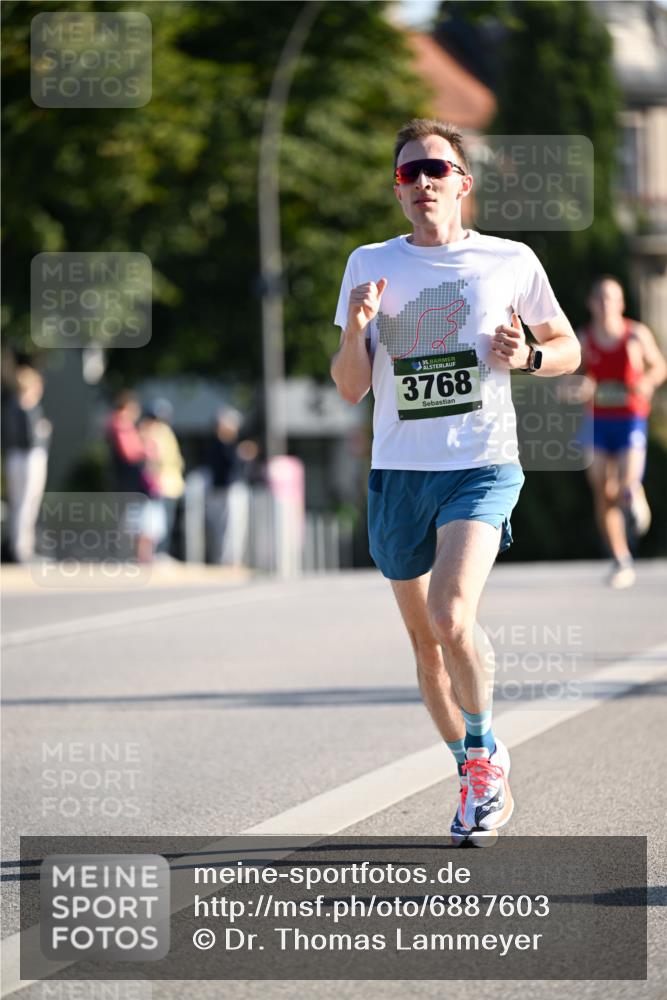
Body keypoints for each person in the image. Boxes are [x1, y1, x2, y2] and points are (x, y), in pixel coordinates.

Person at [330, 119, 580, 847]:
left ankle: (481, 761)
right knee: (424, 646)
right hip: (397, 473)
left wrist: (528, 355)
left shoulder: (508, 259)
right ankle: (472, 763)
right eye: (408, 174)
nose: (422, 184)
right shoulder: (368, 263)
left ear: (462, 183)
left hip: (479, 465)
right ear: (398, 189)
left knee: (449, 615)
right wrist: (355, 330)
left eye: (435, 169)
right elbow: (350, 389)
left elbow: (564, 347)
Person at [578, 276, 666, 589]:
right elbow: (569, 380)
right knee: (603, 489)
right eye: (600, 298)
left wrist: (648, 381)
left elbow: (659, 367)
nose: (605, 305)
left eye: (611, 298)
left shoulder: (636, 335)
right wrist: (578, 387)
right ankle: (621, 558)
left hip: (630, 420)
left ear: (621, 303)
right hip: (598, 422)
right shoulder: (585, 339)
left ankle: (634, 494)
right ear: (591, 304)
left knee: (626, 484)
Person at [2, 365, 52, 563]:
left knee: (19, 504)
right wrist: (44, 430)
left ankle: (20, 547)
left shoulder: (11, 405)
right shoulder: (27, 406)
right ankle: (23, 550)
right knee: (27, 504)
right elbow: (32, 437)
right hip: (29, 458)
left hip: (14, 457)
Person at [139, 400, 185, 557]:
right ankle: (157, 553)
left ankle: (159, 552)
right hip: (160, 483)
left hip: (167, 483)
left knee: (162, 522)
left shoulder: (162, 431)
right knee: (156, 524)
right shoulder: (156, 431)